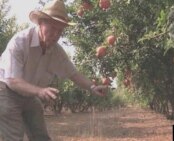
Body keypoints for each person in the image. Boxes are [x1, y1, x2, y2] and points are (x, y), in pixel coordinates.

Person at [0, 0, 108, 140]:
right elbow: (13, 81)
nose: (55, 34)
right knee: (14, 136)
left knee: (41, 136)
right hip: (6, 91)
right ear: (40, 23)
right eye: (51, 28)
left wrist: (92, 87)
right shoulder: (20, 42)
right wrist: (39, 90)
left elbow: (73, 74)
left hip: (28, 96)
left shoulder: (56, 51)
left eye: (60, 30)